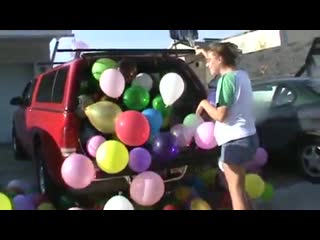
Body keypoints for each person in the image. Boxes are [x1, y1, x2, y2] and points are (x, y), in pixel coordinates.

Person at [195, 42, 259, 210]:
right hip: (248, 138)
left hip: (234, 143)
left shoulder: (226, 80)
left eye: (209, 60)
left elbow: (220, 116)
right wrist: (203, 51)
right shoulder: (242, 75)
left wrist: (204, 103)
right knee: (241, 189)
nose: (207, 64)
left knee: (235, 194)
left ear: (220, 59)